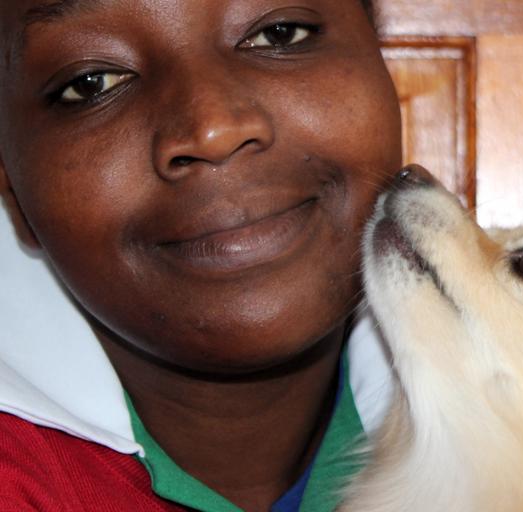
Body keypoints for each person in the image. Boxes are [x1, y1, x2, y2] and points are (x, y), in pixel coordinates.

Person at [0, 1, 400, 511]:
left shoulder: (502, 406)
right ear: (10, 183)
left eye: (280, 33)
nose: (213, 130)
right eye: (92, 83)